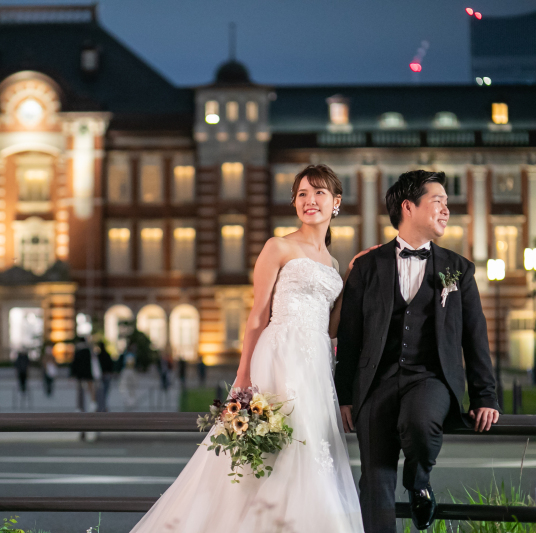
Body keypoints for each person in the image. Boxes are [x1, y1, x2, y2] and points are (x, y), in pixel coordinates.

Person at [130, 165, 364, 532]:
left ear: (336, 202)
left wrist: (352, 277)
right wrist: (242, 376)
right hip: (281, 352)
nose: (309, 201)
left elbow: (331, 328)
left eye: (319, 193)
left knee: (309, 449)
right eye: (302, 194)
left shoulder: (333, 263)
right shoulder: (279, 246)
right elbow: (257, 316)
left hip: (316, 363)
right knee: (275, 446)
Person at [336, 170, 499, 532]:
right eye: (438, 201)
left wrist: (486, 396)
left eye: (446, 202)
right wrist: (345, 395)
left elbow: (475, 338)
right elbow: (349, 337)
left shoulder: (459, 270)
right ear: (408, 207)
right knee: (375, 481)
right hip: (376, 382)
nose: (446, 209)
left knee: (421, 425)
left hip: (430, 378)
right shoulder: (366, 267)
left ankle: (419, 483)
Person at [70, 336, 95, 412]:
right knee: (91, 389)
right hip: (88, 373)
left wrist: (72, 374)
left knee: (80, 391)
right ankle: (93, 403)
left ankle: (80, 407)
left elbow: (74, 363)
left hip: (80, 374)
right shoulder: (89, 350)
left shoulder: (78, 350)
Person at [95, 340, 114, 412]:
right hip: (106, 375)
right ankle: (104, 407)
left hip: (101, 375)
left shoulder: (99, 356)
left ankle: (101, 407)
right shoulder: (107, 355)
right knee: (105, 392)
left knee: (100, 392)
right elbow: (111, 365)